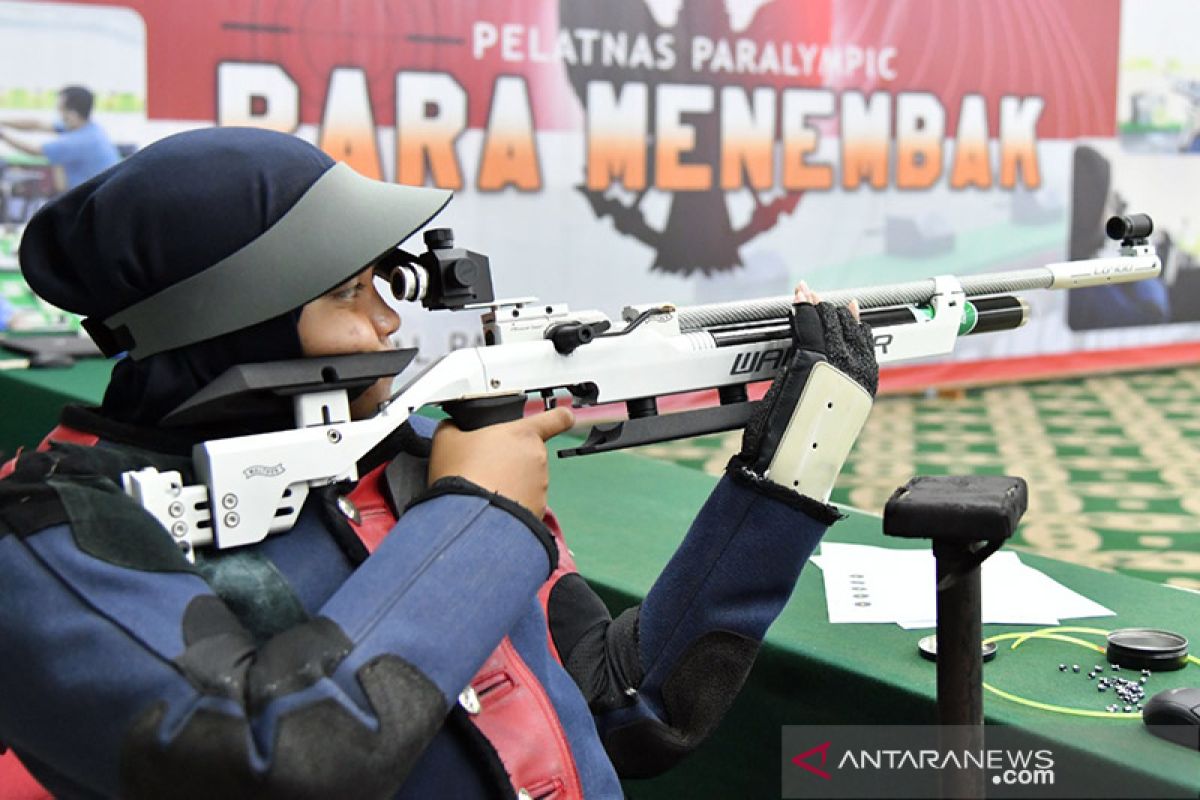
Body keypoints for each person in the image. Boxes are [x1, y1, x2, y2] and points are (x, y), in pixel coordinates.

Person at [0, 127, 877, 799]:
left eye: (386, 285)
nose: (388, 325)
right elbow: (277, 761)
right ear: (235, 318)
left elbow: (626, 708)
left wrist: (793, 465)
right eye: (349, 292)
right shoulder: (50, 534)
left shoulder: (404, 466)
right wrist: (479, 517)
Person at [0, 85, 121, 190]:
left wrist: (3, 135)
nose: (58, 112)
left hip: (90, 202)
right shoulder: (89, 128)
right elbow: (37, 124)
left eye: (61, 108)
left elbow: (33, 150)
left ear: (72, 113)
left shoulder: (78, 141)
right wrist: (3, 122)